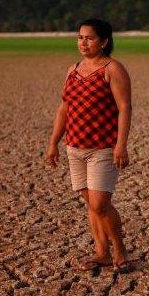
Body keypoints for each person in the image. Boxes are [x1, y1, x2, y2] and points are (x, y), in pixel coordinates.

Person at [44, 18, 136, 273]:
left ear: (104, 41)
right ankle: (101, 252)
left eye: (90, 38)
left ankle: (120, 251)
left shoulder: (112, 69)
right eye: (80, 37)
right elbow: (64, 108)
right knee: (91, 203)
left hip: (103, 147)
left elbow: (124, 107)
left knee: (100, 204)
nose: (83, 43)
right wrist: (53, 143)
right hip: (75, 147)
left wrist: (121, 145)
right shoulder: (72, 70)